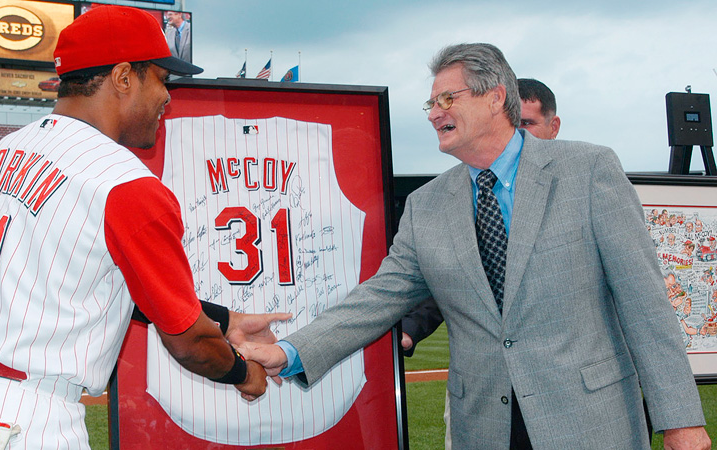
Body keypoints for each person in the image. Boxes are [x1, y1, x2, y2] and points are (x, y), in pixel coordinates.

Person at [241, 43, 710, 449]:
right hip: (483, 427)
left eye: (447, 98)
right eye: (429, 104)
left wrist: (682, 420)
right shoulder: (426, 206)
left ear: (495, 97)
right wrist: (289, 351)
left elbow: (645, 303)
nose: (434, 113)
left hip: (589, 422)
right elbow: (378, 297)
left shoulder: (587, 171)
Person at [0, 6, 289, 450]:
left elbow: (97, 282)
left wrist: (227, 320)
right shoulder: (124, 183)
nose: (168, 96)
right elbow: (190, 344)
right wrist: (244, 374)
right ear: (124, 76)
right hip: (21, 419)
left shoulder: (4, 149)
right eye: (162, 78)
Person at [398, 77, 563, 449]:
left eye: (528, 124)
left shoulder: (583, 182)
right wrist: (407, 328)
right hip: (484, 396)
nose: (518, 133)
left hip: (567, 400)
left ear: (553, 127)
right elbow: (445, 281)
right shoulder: (458, 197)